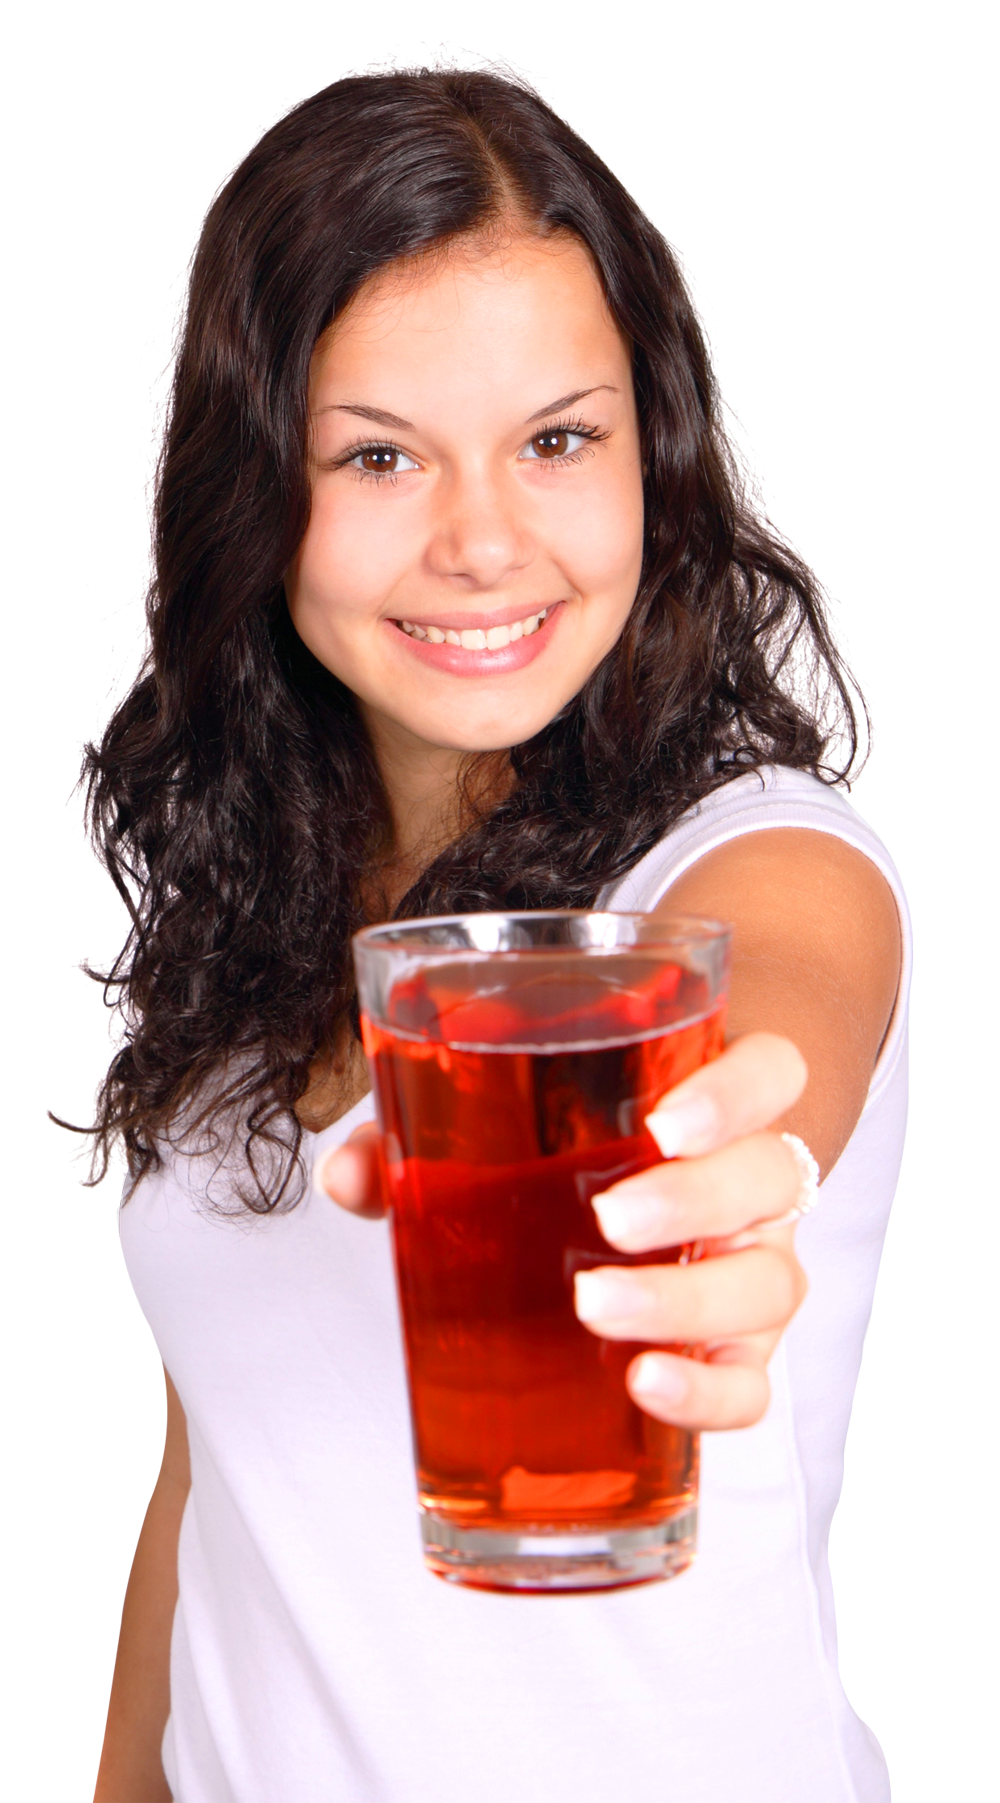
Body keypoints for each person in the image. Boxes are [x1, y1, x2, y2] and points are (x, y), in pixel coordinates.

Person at [86, 64, 908, 1803]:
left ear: (653, 455)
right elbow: (233, 1484)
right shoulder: (256, 922)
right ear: (262, 496)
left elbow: (757, 1043)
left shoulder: (766, 858)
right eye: (380, 454)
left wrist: (704, 1167)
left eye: (557, 439)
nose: (484, 541)